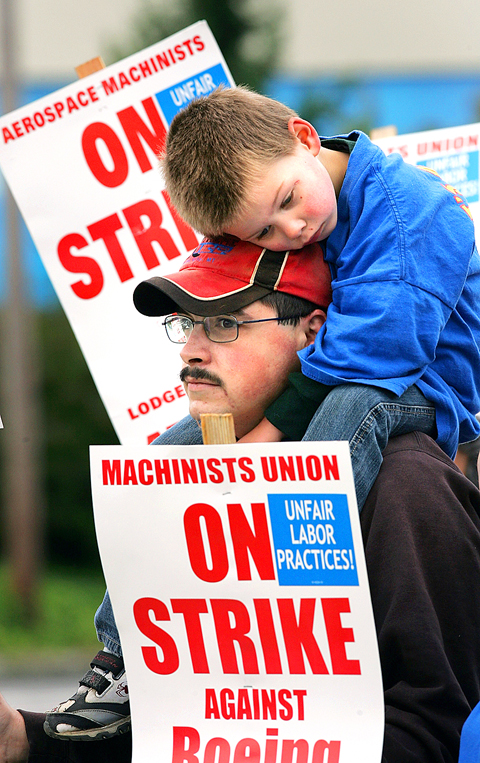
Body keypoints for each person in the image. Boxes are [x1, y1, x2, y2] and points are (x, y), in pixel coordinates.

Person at [3, 239, 478, 763]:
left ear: (313, 332)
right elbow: (189, 731)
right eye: (187, 323)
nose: (190, 349)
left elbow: (432, 732)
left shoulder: (408, 486)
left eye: (225, 322)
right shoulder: (186, 475)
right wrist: (26, 740)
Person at [161, 85, 480, 512]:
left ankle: (301, 534)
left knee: (355, 403)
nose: (292, 229)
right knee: (183, 441)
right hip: (324, 365)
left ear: (305, 138)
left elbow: (381, 344)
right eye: (263, 232)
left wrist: (268, 431)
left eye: (288, 200)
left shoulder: (409, 209)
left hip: (425, 381)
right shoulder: (293, 190)